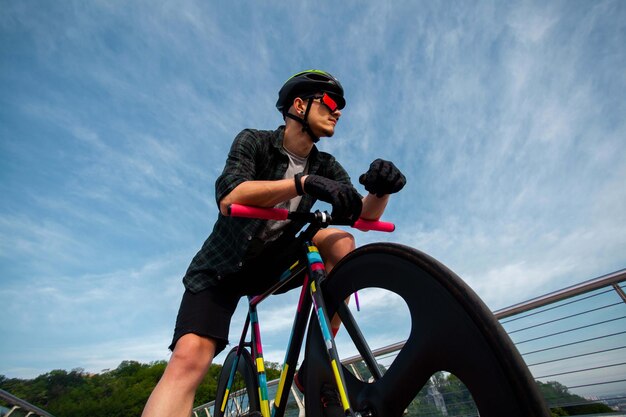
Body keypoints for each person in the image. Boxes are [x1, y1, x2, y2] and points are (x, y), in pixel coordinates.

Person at [141, 69, 406, 417]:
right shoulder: (254, 141)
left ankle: (314, 366)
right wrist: (303, 183)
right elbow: (230, 194)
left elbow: (364, 216)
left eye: (340, 106)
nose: (338, 111)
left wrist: (381, 189)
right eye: (330, 102)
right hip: (221, 268)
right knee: (189, 359)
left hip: (275, 260)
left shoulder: (325, 164)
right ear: (299, 105)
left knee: (342, 239)